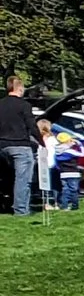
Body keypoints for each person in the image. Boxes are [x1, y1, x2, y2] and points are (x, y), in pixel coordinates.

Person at [0, 74, 37, 215]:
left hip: (2, 146)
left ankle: (7, 204)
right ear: (19, 88)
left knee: (8, 177)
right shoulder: (24, 105)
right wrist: (41, 141)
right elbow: (31, 125)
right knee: (23, 179)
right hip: (20, 145)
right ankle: (21, 209)